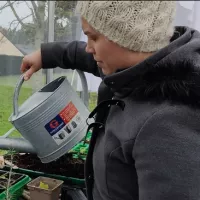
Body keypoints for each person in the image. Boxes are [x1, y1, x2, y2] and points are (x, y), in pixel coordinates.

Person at [20, 1, 200, 200]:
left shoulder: (168, 125)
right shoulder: (138, 69)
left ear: (128, 36)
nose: (88, 48)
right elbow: (87, 56)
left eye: (93, 37)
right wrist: (47, 55)